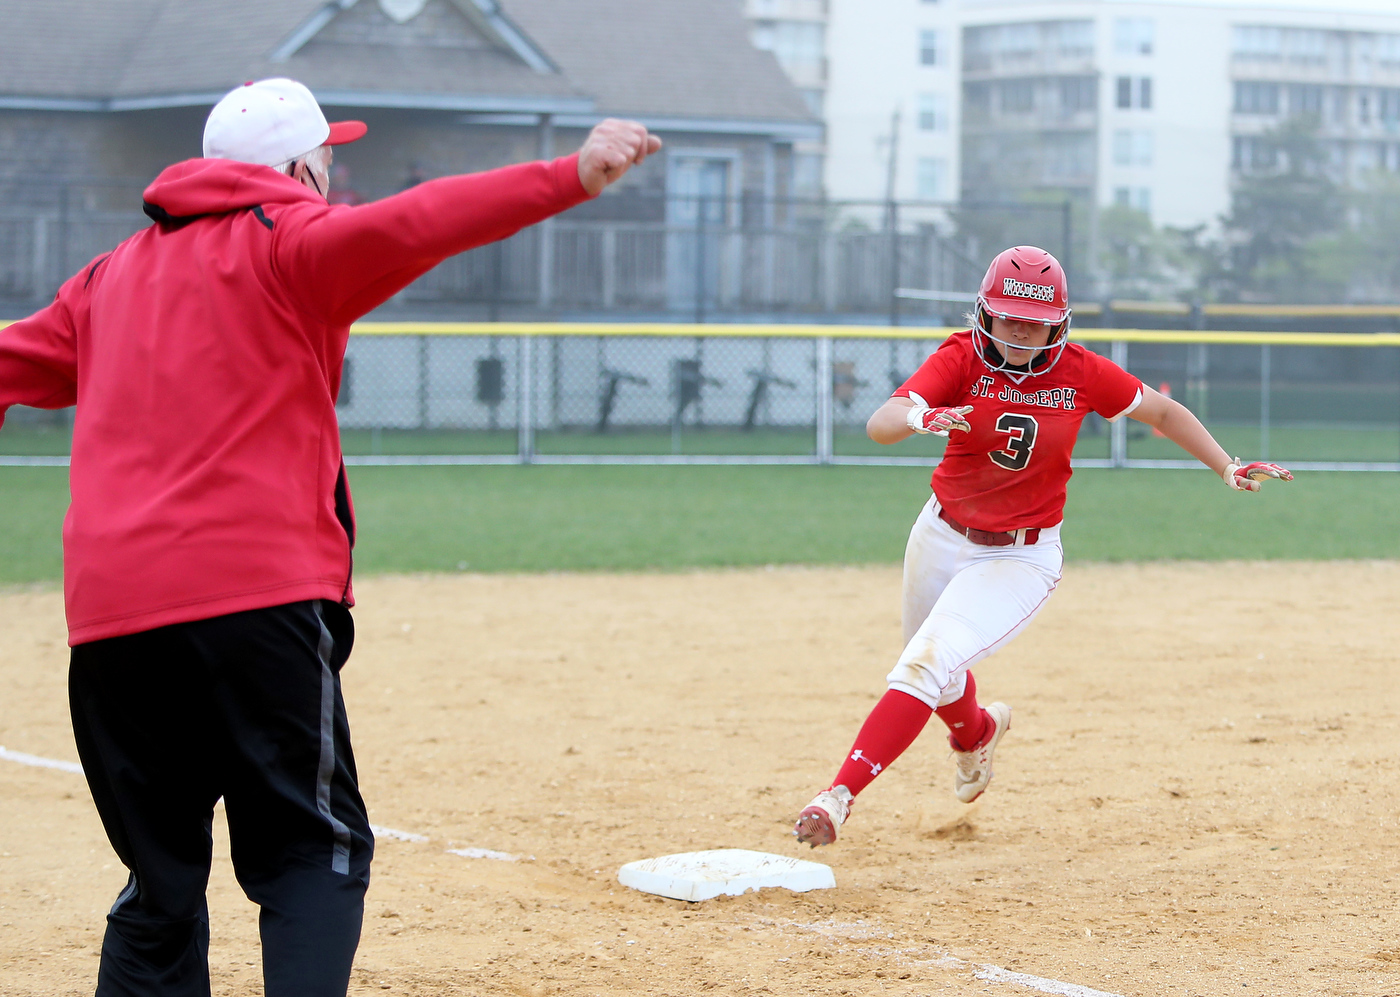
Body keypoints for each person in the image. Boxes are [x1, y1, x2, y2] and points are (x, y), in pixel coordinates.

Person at [0, 77, 659, 996]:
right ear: (298, 166)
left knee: (159, 881)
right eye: (328, 157)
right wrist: (568, 176)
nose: (333, 172)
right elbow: (421, 220)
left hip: (109, 621)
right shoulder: (292, 242)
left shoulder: (107, 277)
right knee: (313, 850)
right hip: (252, 599)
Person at [793, 245, 1291, 848]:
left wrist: (1224, 465)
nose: (1021, 334)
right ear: (984, 315)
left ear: (1059, 323)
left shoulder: (1079, 371)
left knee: (925, 664)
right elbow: (882, 422)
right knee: (933, 669)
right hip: (939, 533)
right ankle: (974, 736)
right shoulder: (960, 357)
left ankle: (836, 797)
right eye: (1008, 319)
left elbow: (1160, 410)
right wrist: (920, 418)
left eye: (1036, 322)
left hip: (1018, 556)